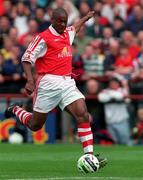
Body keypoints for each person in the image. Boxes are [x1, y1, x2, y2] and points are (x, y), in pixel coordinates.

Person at [5, 8, 107, 169]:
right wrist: (30, 81)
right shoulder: (43, 38)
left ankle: (89, 156)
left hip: (67, 82)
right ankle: (16, 110)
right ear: (52, 20)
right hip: (48, 84)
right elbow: (26, 58)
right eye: (59, 21)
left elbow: (76, 26)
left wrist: (86, 18)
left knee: (83, 114)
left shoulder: (67, 32)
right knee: (35, 125)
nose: (62, 24)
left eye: (64, 21)